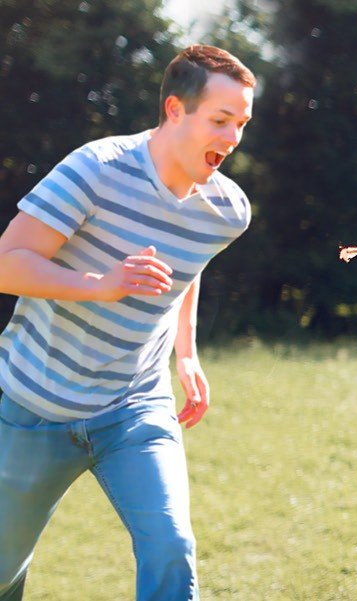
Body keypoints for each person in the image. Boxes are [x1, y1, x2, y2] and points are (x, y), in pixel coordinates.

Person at [0, 44, 256, 600]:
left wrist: (185, 353)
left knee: (171, 548)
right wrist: (101, 285)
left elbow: (186, 269)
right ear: (174, 110)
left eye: (240, 123)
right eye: (219, 120)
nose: (232, 137)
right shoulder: (96, 169)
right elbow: (6, 262)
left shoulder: (227, 212)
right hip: (35, 406)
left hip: (133, 407)